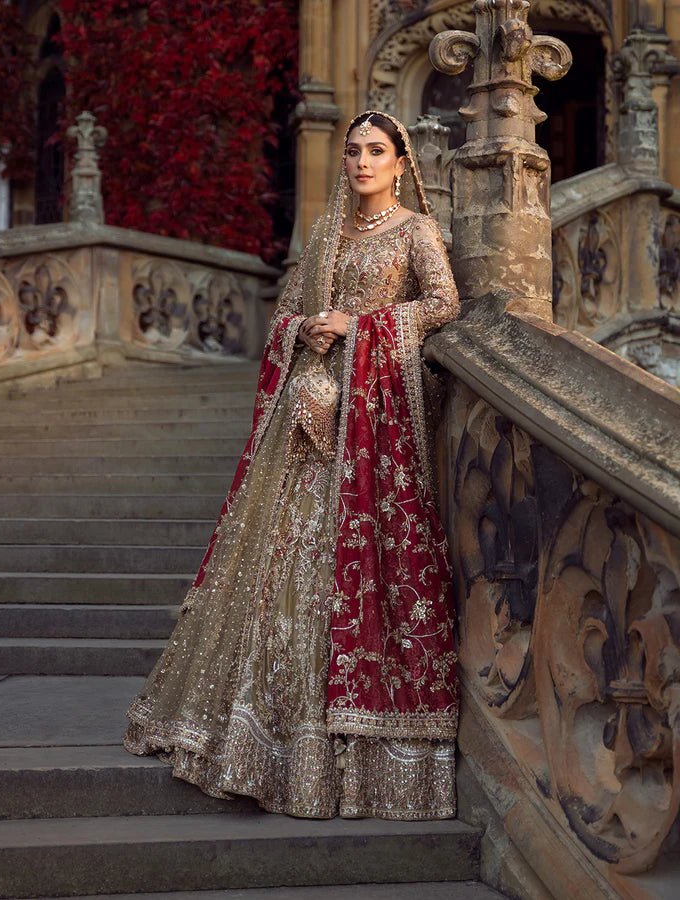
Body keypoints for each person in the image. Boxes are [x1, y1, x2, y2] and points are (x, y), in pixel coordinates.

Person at [123, 109, 461, 820]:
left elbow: (443, 304)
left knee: (345, 570)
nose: (362, 163)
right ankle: (263, 738)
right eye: (352, 152)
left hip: (366, 434)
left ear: (401, 162)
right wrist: (304, 328)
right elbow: (284, 315)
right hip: (304, 430)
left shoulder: (417, 232)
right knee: (278, 571)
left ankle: (347, 754)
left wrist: (358, 326)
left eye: (376, 152)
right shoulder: (325, 235)